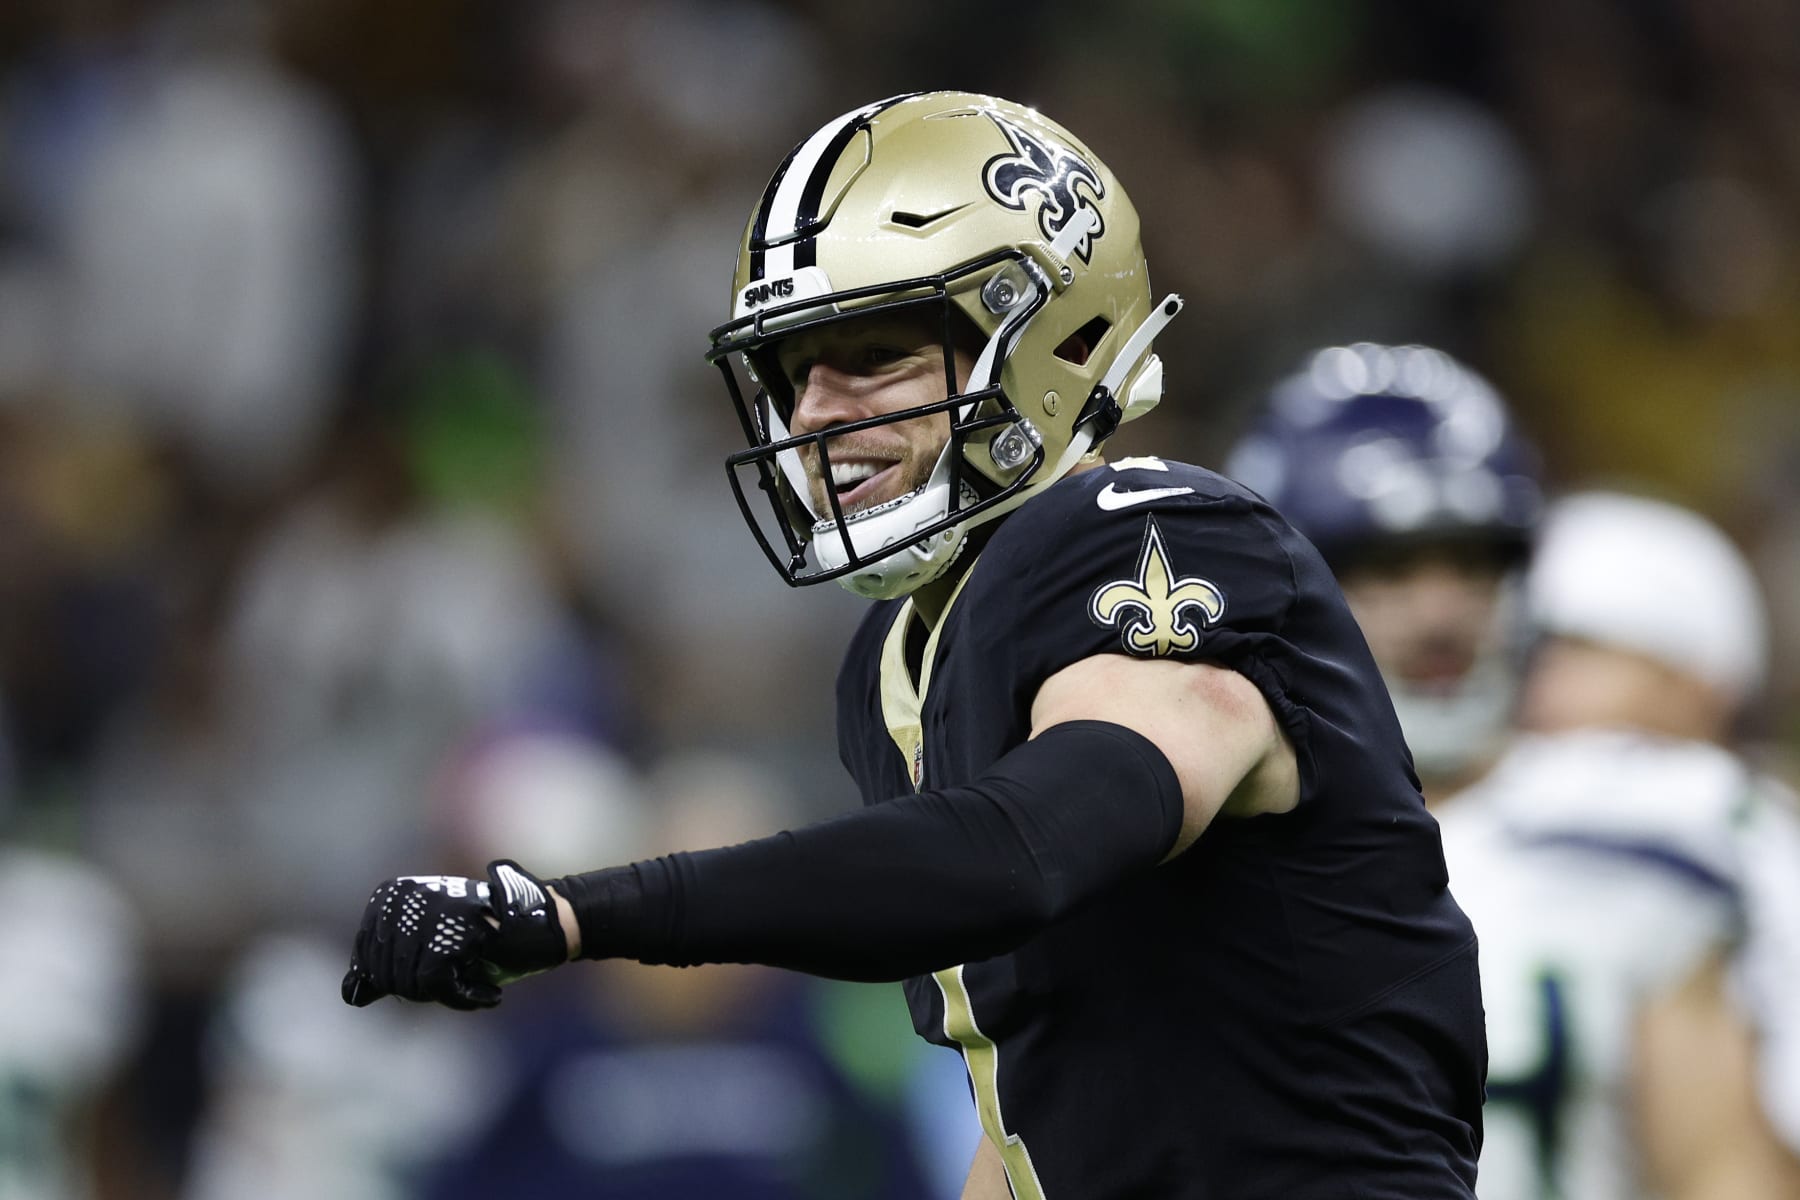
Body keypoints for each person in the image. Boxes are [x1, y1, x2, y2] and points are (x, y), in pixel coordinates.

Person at [342, 92, 1486, 1199]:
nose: (814, 415)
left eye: (874, 355)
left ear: (1051, 334)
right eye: (794, 372)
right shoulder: (899, 657)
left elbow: (1026, 848)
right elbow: (1030, 1115)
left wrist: (579, 913)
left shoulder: (1160, 534)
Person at [1227, 346, 1800, 1198]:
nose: (1441, 612)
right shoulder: (1195, 855)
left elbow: (1722, 1170)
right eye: (1388, 567)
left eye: (1472, 562)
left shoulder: (1637, 830)